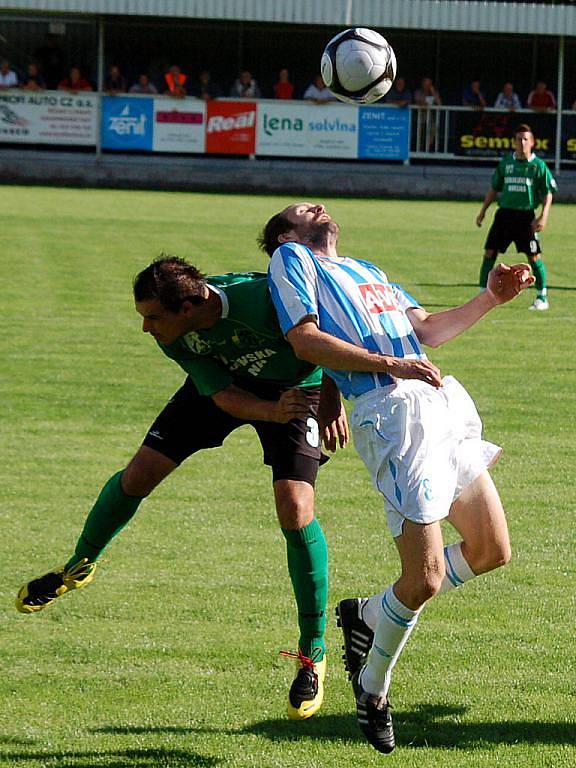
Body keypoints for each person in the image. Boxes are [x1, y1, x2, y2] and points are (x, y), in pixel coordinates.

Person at [16, 256, 349, 722]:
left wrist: (332, 392)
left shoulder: (264, 297)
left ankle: (312, 650)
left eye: (153, 318)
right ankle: (79, 564)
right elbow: (221, 398)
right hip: (223, 388)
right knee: (138, 475)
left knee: (295, 509)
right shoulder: (176, 336)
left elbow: (337, 326)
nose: (146, 329)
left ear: (190, 306)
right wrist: (266, 412)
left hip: (297, 389)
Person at [261, 201, 534, 753]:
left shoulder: (367, 270)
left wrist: (491, 297)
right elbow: (305, 341)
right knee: (426, 578)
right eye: (299, 210)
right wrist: (390, 365)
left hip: (437, 403)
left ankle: (367, 614)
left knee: (491, 549)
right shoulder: (292, 259)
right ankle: (373, 689)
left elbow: (428, 330)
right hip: (391, 412)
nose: (315, 206)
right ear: (286, 234)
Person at [476, 123, 556, 311]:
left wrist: (543, 216)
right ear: (513, 142)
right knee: (489, 253)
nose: (522, 142)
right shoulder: (506, 163)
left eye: (525, 139)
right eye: (518, 139)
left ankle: (542, 296)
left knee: (534, 257)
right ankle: (482, 293)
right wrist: (483, 211)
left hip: (526, 216)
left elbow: (548, 193)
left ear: (532, 142)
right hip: (504, 215)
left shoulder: (538, 166)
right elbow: (494, 188)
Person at [414, 77, 442, 151]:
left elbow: (439, 104)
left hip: (432, 119)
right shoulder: (418, 92)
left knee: (432, 132)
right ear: (422, 84)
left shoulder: (434, 93)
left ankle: (426, 149)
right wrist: (423, 104)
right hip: (421, 118)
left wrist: (433, 91)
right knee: (420, 135)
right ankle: (419, 149)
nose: (427, 86)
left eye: (429, 84)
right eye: (426, 84)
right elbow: (417, 102)